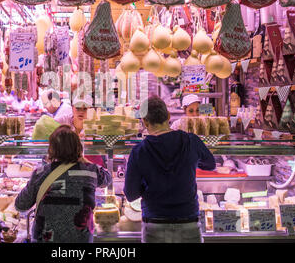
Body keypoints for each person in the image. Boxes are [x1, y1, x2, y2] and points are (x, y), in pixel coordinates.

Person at [124, 96, 215, 243]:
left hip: (154, 224)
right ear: (168, 116)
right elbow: (211, 164)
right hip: (189, 222)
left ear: (145, 121)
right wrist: (190, 162)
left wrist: (147, 183)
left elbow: (131, 194)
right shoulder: (190, 140)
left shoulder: (139, 151)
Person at [15, 125, 112, 242]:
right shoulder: (91, 171)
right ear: (79, 147)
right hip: (81, 238)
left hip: (46, 237)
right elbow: (108, 179)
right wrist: (82, 159)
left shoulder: (40, 174)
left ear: (51, 149)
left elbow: (20, 205)